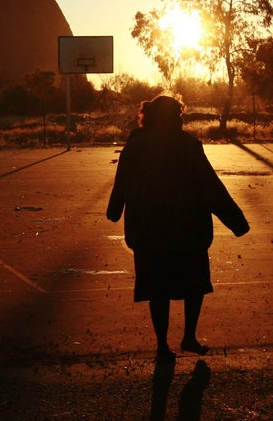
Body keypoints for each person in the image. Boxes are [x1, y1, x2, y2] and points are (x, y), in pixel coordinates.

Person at [105, 95, 250, 359]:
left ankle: (162, 345)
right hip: (188, 232)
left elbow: (121, 183)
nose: (182, 120)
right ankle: (188, 337)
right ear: (170, 118)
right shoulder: (187, 146)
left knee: (157, 291)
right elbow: (211, 188)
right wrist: (236, 221)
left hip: (148, 233)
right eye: (179, 116)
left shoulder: (135, 146)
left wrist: (114, 211)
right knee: (193, 286)